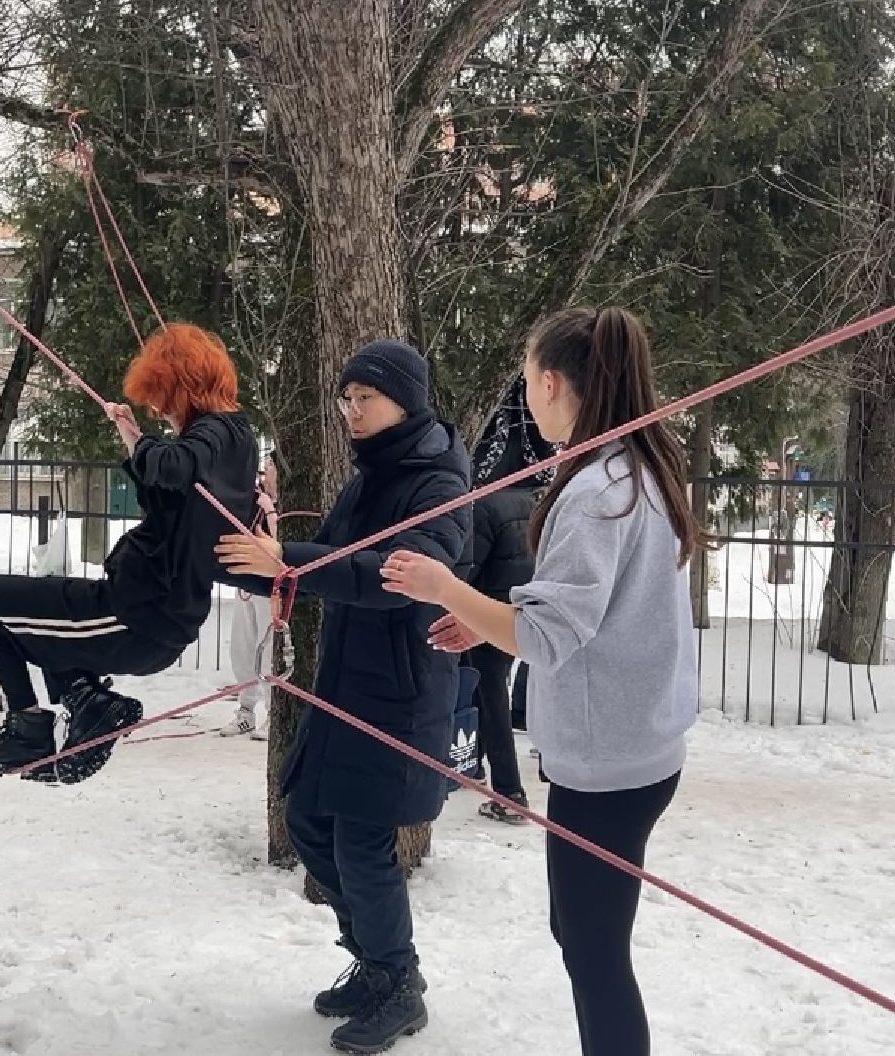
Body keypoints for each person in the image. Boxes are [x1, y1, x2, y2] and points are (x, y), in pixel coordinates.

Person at [379, 307, 700, 1056]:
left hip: (610, 763)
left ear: (552, 383)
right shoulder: (634, 465)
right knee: (581, 934)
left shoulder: (596, 492)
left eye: (526, 381)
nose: (525, 396)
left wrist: (443, 587)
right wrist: (487, 618)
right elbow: (591, 615)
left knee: (593, 956)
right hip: (636, 746)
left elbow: (549, 636)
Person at [217, 338, 470, 1056]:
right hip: (344, 682)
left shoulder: (440, 481)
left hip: (401, 687)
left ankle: (398, 982)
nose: (351, 412)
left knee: (361, 840)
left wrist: (288, 560)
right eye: (346, 399)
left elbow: (398, 574)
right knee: (306, 818)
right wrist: (254, 564)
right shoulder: (367, 479)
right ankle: (373, 959)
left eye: (366, 399)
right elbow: (320, 563)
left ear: (406, 400)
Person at [0, 323, 257, 784]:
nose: (159, 411)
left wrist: (147, 446)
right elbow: (171, 494)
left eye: (163, 398)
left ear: (184, 386)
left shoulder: (216, 431)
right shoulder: (234, 441)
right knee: (41, 620)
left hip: (138, 614)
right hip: (144, 610)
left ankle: (28, 728)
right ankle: (88, 702)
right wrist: (134, 438)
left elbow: (172, 466)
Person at [454, 379, 554, 822]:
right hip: (528, 606)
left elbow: (469, 565)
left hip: (487, 610)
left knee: (488, 691)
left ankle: (509, 792)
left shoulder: (487, 503)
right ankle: (477, 761)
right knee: (499, 688)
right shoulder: (542, 499)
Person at [222, 457, 279, 740]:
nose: (267, 471)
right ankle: (245, 710)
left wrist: (271, 513)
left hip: (270, 587)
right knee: (242, 646)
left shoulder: (284, 504)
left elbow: (283, 544)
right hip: (246, 581)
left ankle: (273, 712)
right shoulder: (254, 498)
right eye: (267, 464)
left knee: (267, 650)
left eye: (272, 466)